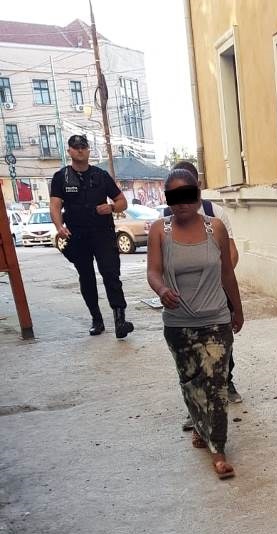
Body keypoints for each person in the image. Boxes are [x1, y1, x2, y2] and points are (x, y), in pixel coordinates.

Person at [147, 169, 244, 480]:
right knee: (191, 382)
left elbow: (227, 272)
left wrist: (237, 309)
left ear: (198, 194)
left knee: (215, 384)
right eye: (174, 198)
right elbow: (153, 271)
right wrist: (161, 289)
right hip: (178, 323)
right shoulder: (159, 231)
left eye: (187, 196)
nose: (182, 204)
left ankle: (218, 450)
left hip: (216, 318)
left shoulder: (215, 228)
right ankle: (201, 427)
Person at [163, 160, 243, 408]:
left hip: (215, 290)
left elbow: (231, 252)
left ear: (198, 187)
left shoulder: (216, 214)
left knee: (219, 348)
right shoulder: (164, 221)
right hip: (184, 301)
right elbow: (160, 263)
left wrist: (217, 278)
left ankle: (226, 381)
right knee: (191, 360)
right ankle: (196, 406)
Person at [49, 134, 134, 339]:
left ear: (88, 150)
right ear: (69, 151)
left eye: (83, 147)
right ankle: (97, 320)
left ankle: (120, 320)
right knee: (86, 278)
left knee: (111, 274)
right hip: (78, 235)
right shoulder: (61, 177)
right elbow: (55, 205)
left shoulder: (100, 175)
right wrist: (59, 227)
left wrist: (111, 207)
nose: (80, 150)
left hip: (102, 233)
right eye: (75, 147)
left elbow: (122, 202)